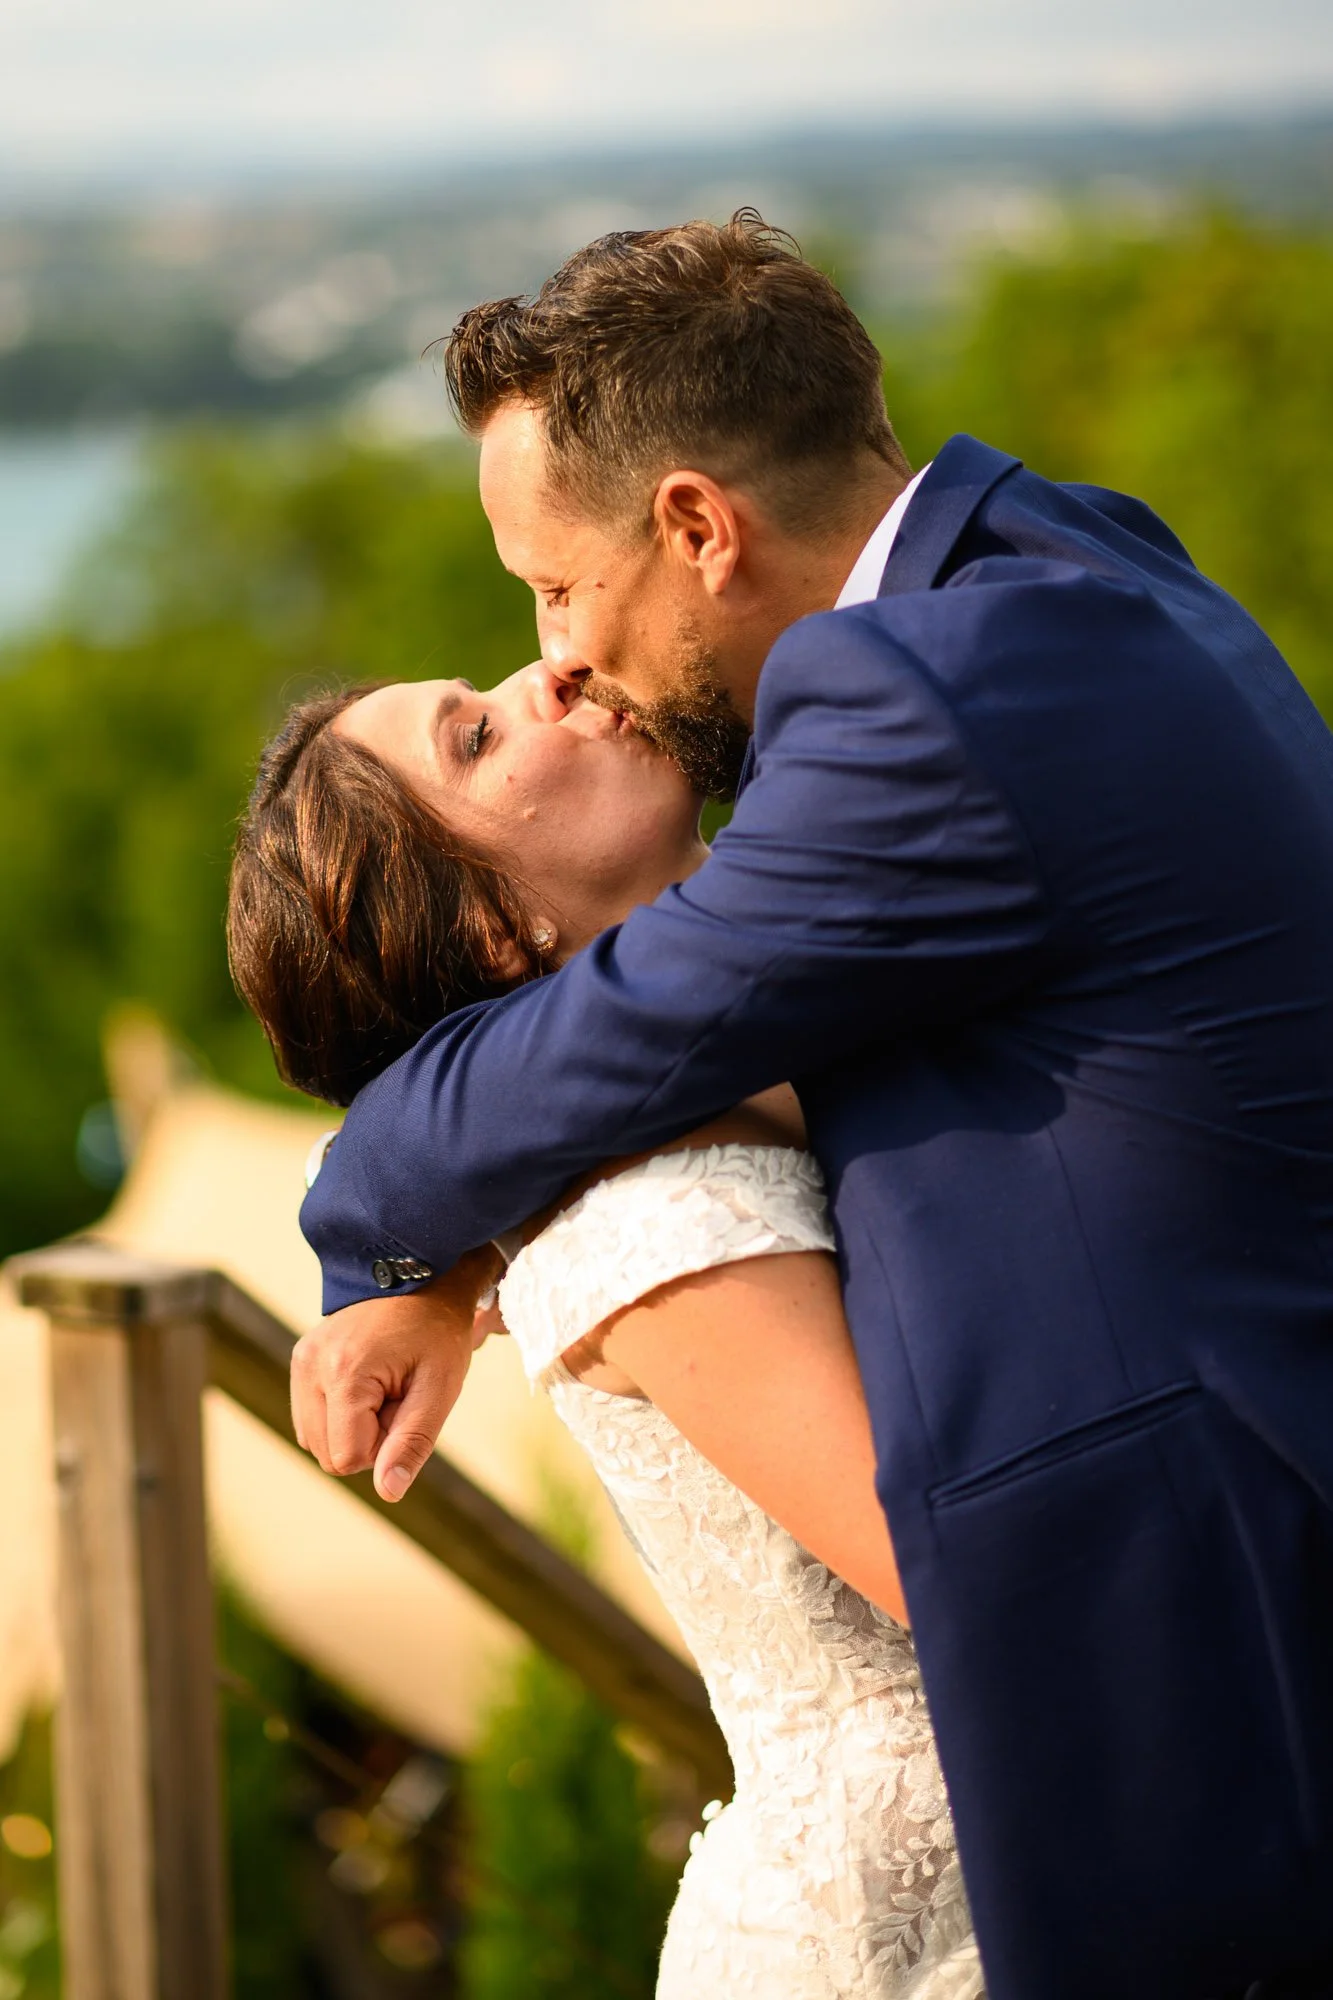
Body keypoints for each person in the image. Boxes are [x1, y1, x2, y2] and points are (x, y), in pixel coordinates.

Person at [291, 214, 1333, 1998]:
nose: (560, 650)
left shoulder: (913, 696)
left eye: (556, 586)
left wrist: (381, 1213)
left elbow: (638, 1022)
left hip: (1209, 1679)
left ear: (700, 525)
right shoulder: (1066, 554)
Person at [227, 671, 985, 1998]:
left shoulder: (747, 993)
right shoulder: (657, 1210)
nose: (552, 676)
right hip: (925, 1926)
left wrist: (430, 1267)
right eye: (479, 734)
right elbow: (963, 1581)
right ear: (489, 927)